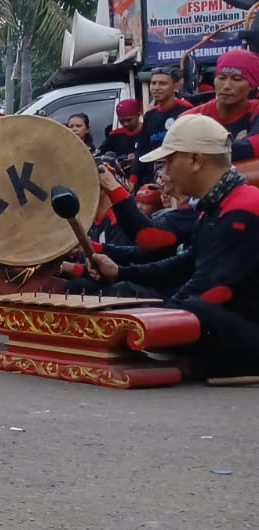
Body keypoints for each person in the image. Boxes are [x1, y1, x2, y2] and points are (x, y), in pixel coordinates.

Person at [89, 115, 259, 381]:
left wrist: (146, 325)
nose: (163, 171)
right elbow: (183, 266)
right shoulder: (214, 207)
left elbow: (210, 291)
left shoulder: (243, 209)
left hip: (248, 329)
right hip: (237, 318)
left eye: (168, 161)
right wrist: (120, 272)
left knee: (194, 307)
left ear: (195, 161)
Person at [185, 48, 259, 161]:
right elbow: (174, 156)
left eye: (237, 79)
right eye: (221, 78)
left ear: (252, 85)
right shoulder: (190, 118)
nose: (226, 86)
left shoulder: (256, 110)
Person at [141, 67, 193, 169]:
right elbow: (142, 148)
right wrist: (134, 177)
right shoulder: (149, 115)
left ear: (175, 86)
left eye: (162, 83)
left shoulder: (186, 110)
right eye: (153, 83)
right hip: (155, 171)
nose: (156, 88)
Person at [100, 99, 147, 164]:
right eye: (122, 121)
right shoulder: (114, 135)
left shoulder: (148, 130)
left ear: (138, 115)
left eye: (129, 120)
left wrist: (138, 156)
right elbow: (101, 154)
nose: (125, 124)